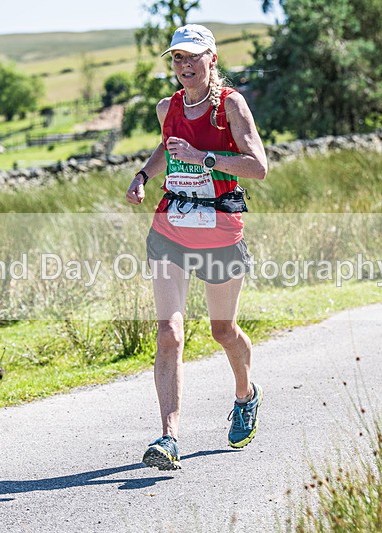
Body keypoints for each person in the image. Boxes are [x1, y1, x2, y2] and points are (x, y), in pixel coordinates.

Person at [125, 24, 268, 470]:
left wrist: (204, 159)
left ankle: (246, 394)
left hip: (221, 233)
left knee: (222, 331)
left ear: (213, 59)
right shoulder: (166, 106)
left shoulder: (232, 105)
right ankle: (168, 438)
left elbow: (258, 166)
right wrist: (143, 175)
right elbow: (168, 148)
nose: (185, 66)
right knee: (169, 333)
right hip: (171, 228)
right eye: (177, 59)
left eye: (193, 57)